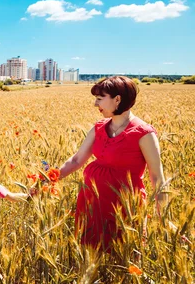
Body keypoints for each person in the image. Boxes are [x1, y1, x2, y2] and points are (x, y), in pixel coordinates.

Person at [57, 76, 170, 250]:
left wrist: (163, 218)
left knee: (123, 253)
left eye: (100, 99)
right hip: (91, 203)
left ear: (117, 99)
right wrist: (49, 179)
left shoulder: (143, 133)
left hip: (123, 207)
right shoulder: (99, 128)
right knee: (89, 252)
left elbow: (157, 177)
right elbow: (77, 160)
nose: (96, 104)